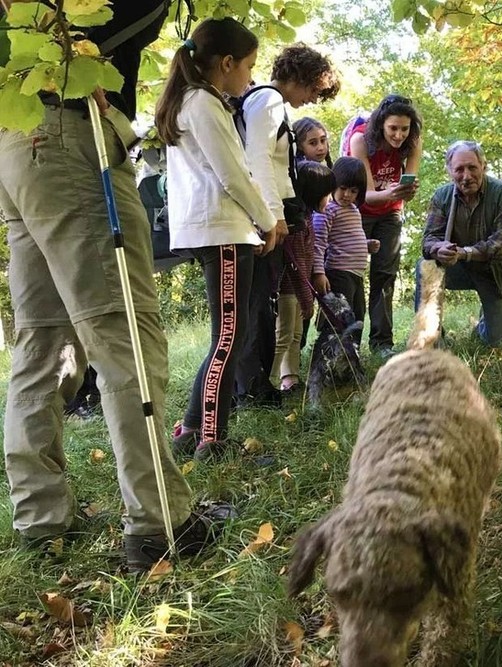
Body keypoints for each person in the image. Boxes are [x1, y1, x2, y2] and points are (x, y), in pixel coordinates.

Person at [0, 1, 231, 571]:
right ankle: (162, 523)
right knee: (123, 330)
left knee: (44, 341)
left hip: (17, 141)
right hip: (73, 136)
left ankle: (42, 520)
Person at [156, 19, 285, 459]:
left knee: (228, 334)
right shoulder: (203, 103)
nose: (251, 76)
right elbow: (233, 175)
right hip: (223, 231)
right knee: (230, 337)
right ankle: (213, 439)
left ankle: (193, 429)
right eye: (249, 66)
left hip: (215, 230)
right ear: (227, 63)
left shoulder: (190, 102)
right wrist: (268, 220)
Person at [234, 44, 339, 407]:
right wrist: (273, 216)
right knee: (258, 306)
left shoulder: (268, 102)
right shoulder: (268, 101)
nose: (311, 99)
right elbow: (258, 157)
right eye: (312, 90)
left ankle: (255, 382)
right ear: (300, 78)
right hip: (263, 219)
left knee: (264, 303)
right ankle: (250, 386)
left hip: (269, 215)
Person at [419, 141, 502, 347]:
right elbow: (428, 240)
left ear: (483, 166)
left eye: (472, 168)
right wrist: (438, 248)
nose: (466, 176)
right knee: (425, 266)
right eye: (459, 169)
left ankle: (484, 323)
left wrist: (465, 252)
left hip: (497, 272)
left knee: (498, 342)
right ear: (450, 171)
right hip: (459, 267)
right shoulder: (442, 197)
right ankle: (432, 338)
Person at [344, 94, 423, 358]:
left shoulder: (412, 142)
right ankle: (347, 342)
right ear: (381, 125)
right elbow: (366, 195)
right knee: (350, 277)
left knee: (385, 276)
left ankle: (381, 344)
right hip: (356, 213)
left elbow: (407, 184)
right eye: (393, 128)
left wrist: (406, 191)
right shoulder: (360, 140)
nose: (399, 135)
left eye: (404, 128)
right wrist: (392, 192)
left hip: (390, 213)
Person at [272, 160, 336, 392]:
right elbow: (296, 266)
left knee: (296, 334)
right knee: (284, 334)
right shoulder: (296, 227)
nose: (329, 200)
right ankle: (269, 380)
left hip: (299, 290)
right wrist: (308, 299)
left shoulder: (307, 218)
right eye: (327, 194)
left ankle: (291, 378)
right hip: (289, 290)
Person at [312, 157, 380, 343]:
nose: (347, 195)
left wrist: (366, 245)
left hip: (356, 274)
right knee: (340, 318)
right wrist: (318, 272)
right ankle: (330, 358)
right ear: (333, 185)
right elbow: (318, 243)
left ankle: (351, 359)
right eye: (342, 188)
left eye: (353, 191)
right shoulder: (327, 210)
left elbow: (347, 238)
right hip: (338, 272)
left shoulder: (353, 210)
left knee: (357, 317)